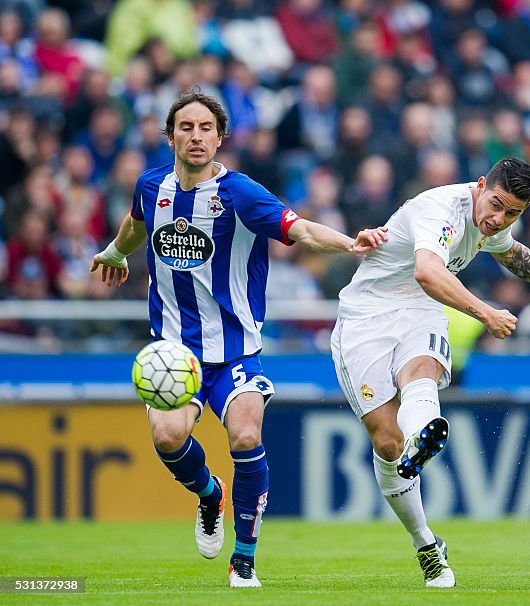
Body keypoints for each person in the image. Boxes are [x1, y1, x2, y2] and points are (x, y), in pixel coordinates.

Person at [90, 88, 387, 588]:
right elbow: (138, 222)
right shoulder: (150, 185)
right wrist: (117, 251)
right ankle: (210, 495)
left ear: (220, 138)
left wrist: (351, 243)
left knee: (246, 435)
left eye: (206, 128)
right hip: (174, 353)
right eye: (186, 127)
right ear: (170, 136)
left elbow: (302, 230)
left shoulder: (241, 193)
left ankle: (243, 560)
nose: (197, 136)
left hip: (235, 352)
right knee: (167, 438)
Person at [330, 157, 530, 588]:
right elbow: (428, 271)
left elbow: (511, 251)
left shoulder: (494, 220)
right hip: (365, 317)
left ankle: (424, 428)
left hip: (420, 308)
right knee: (387, 442)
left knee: (419, 374)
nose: (498, 219)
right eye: (495, 205)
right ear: (479, 185)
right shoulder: (440, 209)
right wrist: (486, 312)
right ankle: (426, 542)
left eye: (512, 213)